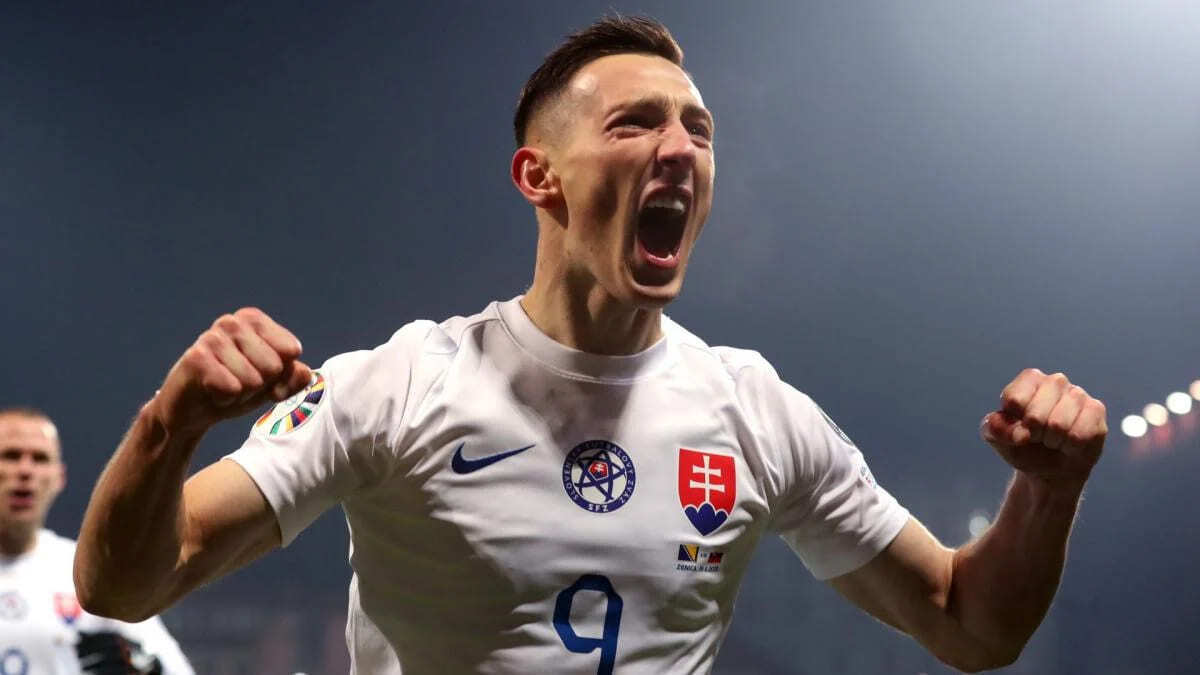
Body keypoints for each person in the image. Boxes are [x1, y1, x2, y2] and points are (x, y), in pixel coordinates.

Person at [74, 16, 1107, 674]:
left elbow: (972, 627)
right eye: (635, 124)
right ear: (540, 177)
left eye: (698, 131)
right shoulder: (396, 385)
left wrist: (1050, 490)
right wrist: (171, 425)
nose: (679, 150)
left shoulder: (753, 407)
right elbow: (125, 586)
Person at [0, 407, 194, 675]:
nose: (25, 470)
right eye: (10, 456)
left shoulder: (86, 571)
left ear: (59, 478)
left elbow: (171, 668)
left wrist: (147, 668)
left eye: (40, 459)